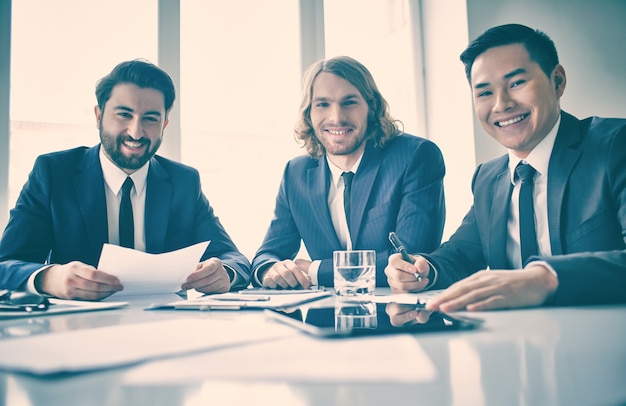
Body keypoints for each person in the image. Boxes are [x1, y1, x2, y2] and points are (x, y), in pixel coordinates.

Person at [385, 23, 626, 313]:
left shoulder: (614, 146)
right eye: (484, 93)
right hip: (511, 343)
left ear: (558, 81)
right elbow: (462, 253)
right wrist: (425, 271)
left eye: (516, 84)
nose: (502, 104)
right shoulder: (488, 177)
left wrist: (546, 279)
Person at [0, 59, 251, 300]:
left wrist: (224, 273)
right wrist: (49, 278)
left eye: (150, 118)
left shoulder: (184, 181)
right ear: (99, 116)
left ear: (164, 124)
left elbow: (234, 258)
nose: (136, 131)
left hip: (164, 326)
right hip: (76, 329)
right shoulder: (54, 173)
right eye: (124, 114)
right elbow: (6, 264)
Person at [252, 56, 445, 289]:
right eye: (322, 104)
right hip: (323, 321)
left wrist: (314, 270)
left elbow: (410, 262)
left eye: (349, 102)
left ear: (371, 107)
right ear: (308, 113)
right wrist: (271, 270)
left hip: (401, 317)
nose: (336, 118)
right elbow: (267, 257)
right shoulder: (296, 173)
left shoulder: (416, 156)